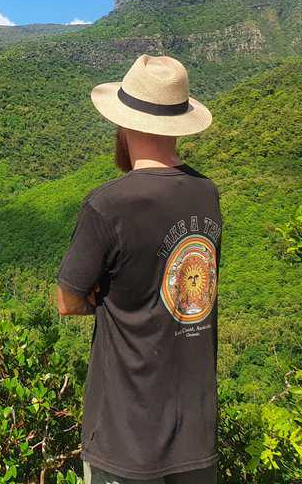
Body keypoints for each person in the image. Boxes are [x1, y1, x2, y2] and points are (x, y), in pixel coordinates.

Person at [56, 54, 222, 484]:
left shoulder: (108, 204)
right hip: (196, 429)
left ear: (123, 124)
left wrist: (107, 299)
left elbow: (68, 300)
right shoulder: (207, 195)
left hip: (126, 434)